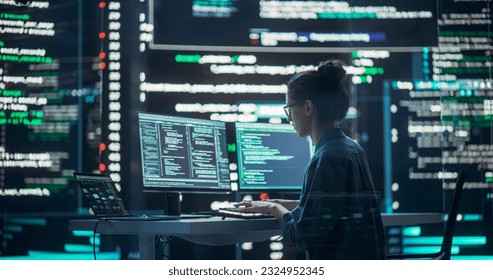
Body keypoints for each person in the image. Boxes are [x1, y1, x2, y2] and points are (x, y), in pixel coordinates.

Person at [234, 59, 386, 260]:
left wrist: (273, 208)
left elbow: (303, 236)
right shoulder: (350, 147)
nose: (289, 119)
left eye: (289, 109)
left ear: (307, 107)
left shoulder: (327, 157)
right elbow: (334, 207)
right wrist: (284, 203)